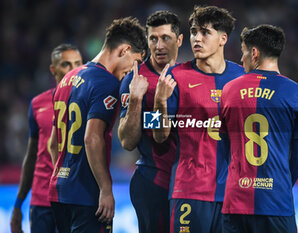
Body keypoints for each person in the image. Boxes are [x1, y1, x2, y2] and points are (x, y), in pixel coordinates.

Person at [48, 17, 147, 233]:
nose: (133, 71)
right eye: (136, 62)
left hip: (58, 191)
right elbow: (92, 138)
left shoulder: (67, 79)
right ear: (124, 50)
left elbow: (53, 143)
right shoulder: (106, 83)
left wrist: (64, 174)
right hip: (86, 194)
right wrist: (105, 188)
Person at [153, 6, 245, 233]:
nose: (197, 38)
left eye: (205, 33)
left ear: (223, 38)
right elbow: (158, 135)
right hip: (188, 190)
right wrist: (159, 101)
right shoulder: (173, 75)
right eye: (194, 32)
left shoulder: (243, 77)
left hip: (233, 193)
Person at [219, 24, 298, 233]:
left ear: (254, 53)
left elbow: (226, 149)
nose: (241, 59)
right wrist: (280, 185)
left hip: (235, 202)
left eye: (243, 52)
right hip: (276, 203)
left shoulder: (229, 90)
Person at [118, 11, 182, 233]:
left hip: (191, 186)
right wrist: (136, 99)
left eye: (165, 38)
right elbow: (127, 141)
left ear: (179, 40)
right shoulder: (136, 79)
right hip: (155, 183)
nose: (159, 45)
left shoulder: (190, 75)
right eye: (153, 38)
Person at [10, 44, 82, 233]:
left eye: (77, 63)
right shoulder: (37, 104)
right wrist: (18, 204)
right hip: (41, 200)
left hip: (73, 198)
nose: (73, 69)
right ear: (53, 69)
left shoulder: (89, 103)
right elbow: (32, 155)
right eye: (66, 64)